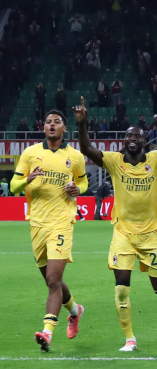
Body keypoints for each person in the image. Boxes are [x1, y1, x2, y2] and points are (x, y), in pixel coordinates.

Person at [74, 98, 157, 352]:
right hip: (123, 234)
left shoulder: (155, 159)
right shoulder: (113, 161)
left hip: (151, 235)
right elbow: (86, 149)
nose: (132, 138)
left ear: (144, 141)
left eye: (137, 136)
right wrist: (83, 124)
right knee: (121, 289)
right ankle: (130, 339)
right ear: (124, 141)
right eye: (129, 135)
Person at [12, 110, 88, 351]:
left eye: (57, 122)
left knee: (53, 279)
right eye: (48, 122)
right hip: (37, 223)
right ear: (43, 127)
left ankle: (47, 332)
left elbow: (84, 181)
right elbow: (14, 186)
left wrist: (78, 189)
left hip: (62, 222)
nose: (52, 125)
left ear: (65, 128)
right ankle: (75, 311)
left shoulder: (74, 156)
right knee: (51, 280)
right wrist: (28, 180)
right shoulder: (30, 153)